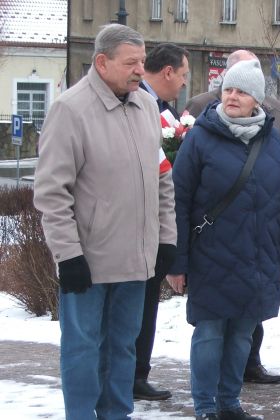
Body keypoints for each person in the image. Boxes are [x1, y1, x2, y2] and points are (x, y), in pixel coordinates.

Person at [33, 24, 177, 419]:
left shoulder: (147, 105)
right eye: (131, 63)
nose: (139, 70)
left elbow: (161, 176)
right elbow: (51, 193)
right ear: (102, 62)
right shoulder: (70, 110)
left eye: (142, 62)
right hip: (89, 261)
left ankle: (117, 414)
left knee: (124, 346)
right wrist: (68, 256)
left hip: (135, 260)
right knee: (82, 348)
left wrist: (166, 238)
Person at [166, 59, 280, 420]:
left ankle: (230, 403)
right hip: (212, 256)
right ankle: (206, 406)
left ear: (256, 98)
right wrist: (176, 262)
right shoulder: (200, 137)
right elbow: (178, 200)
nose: (232, 96)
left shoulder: (271, 140)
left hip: (258, 257)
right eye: (228, 89)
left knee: (242, 335)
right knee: (209, 335)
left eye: (241, 91)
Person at [132, 42, 190, 401]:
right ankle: (130, 374)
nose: (184, 84)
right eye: (183, 75)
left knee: (146, 304)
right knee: (134, 307)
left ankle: (138, 373)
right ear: (167, 72)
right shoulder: (142, 104)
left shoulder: (161, 109)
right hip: (132, 226)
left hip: (154, 227)